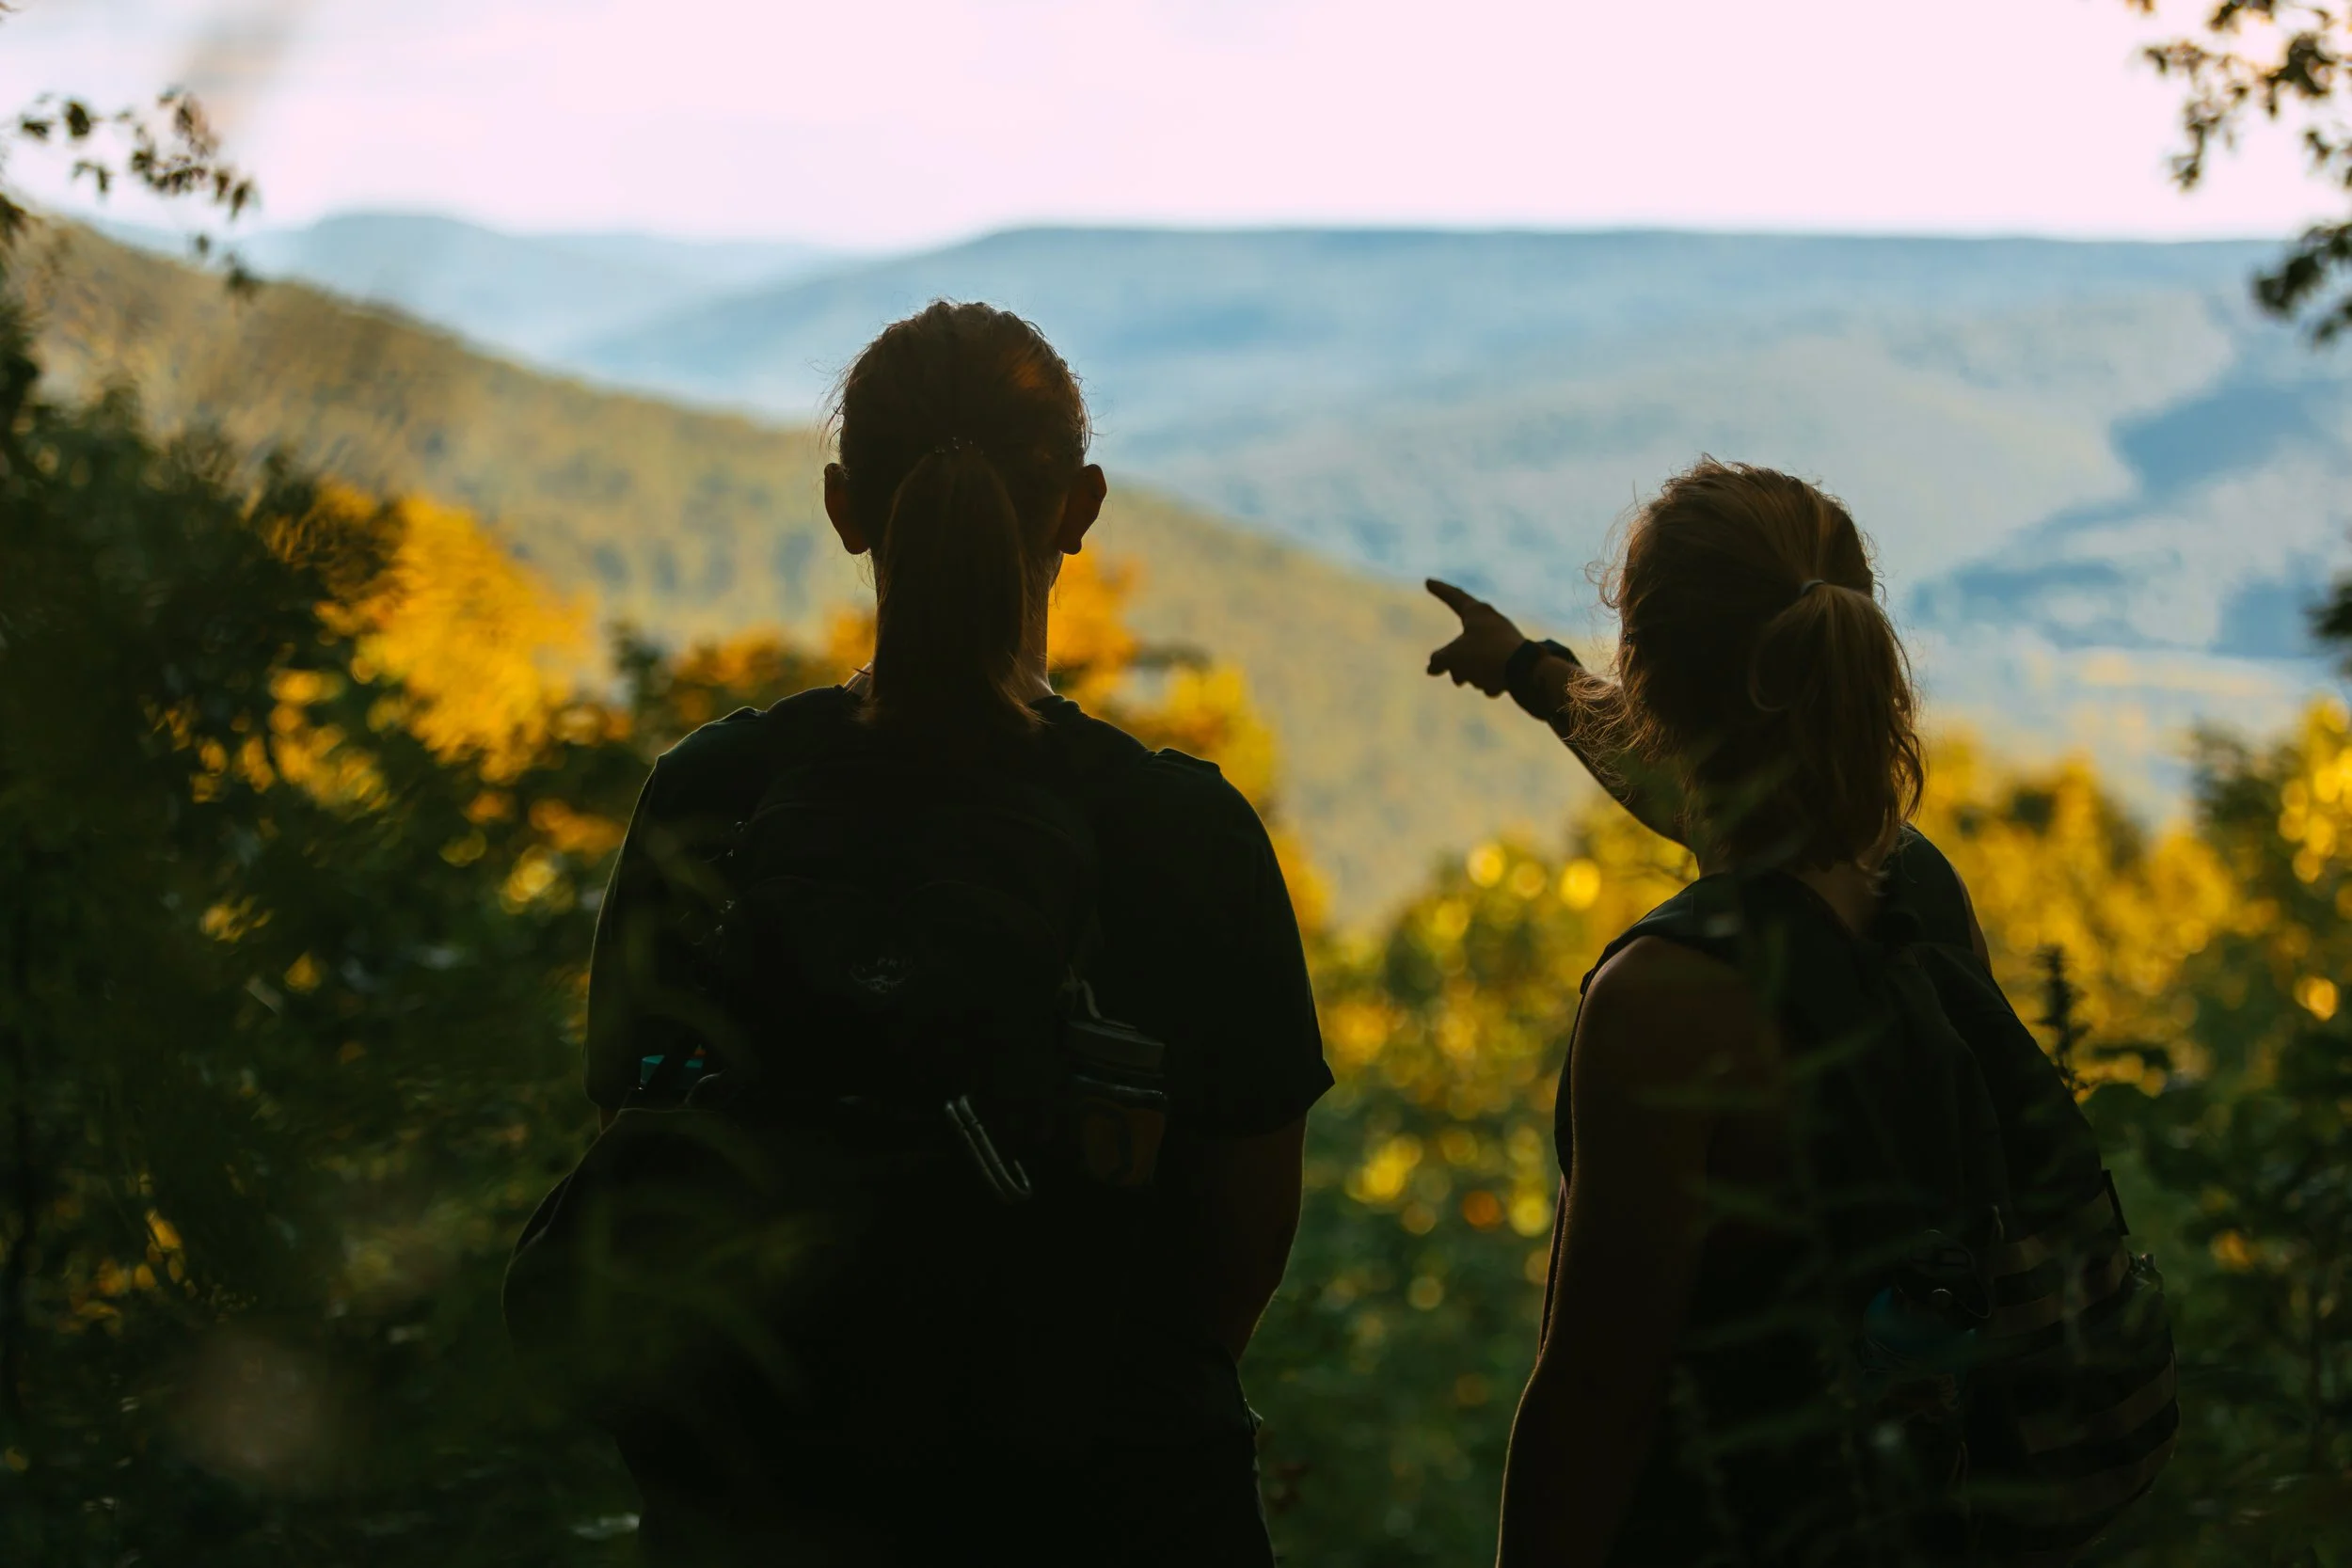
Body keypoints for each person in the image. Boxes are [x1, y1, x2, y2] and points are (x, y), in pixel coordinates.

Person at [573, 302, 1329, 1565]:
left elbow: (636, 1141)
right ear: (1080, 508)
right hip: (1107, 1509)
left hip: (767, 1503)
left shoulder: (714, 797)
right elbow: (1237, 1253)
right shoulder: (1180, 832)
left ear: (844, 506)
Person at [1425, 461, 2132, 1566]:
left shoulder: (1663, 1001)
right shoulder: (1917, 893)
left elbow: (1594, 1396)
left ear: (1648, 680)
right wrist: (1525, 669)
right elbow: (1714, 800)